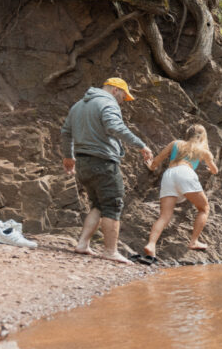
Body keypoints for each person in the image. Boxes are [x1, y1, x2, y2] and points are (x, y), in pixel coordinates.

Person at [60, 77, 153, 263]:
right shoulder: (108, 103)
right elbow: (114, 126)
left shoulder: (78, 105)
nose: (122, 102)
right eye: (123, 98)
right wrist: (141, 144)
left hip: (83, 163)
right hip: (103, 162)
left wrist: (68, 157)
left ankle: (83, 244)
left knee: (97, 204)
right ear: (115, 91)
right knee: (113, 204)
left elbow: (66, 132)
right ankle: (110, 251)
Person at [144, 123, 218, 256]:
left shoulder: (175, 143)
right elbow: (215, 170)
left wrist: (152, 166)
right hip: (186, 173)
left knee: (164, 215)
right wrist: (210, 170)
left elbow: (158, 160)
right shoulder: (203, 151)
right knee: (204, 208)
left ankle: (151, 244)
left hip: (169, 174)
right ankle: (194, 241)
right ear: (203, 137)